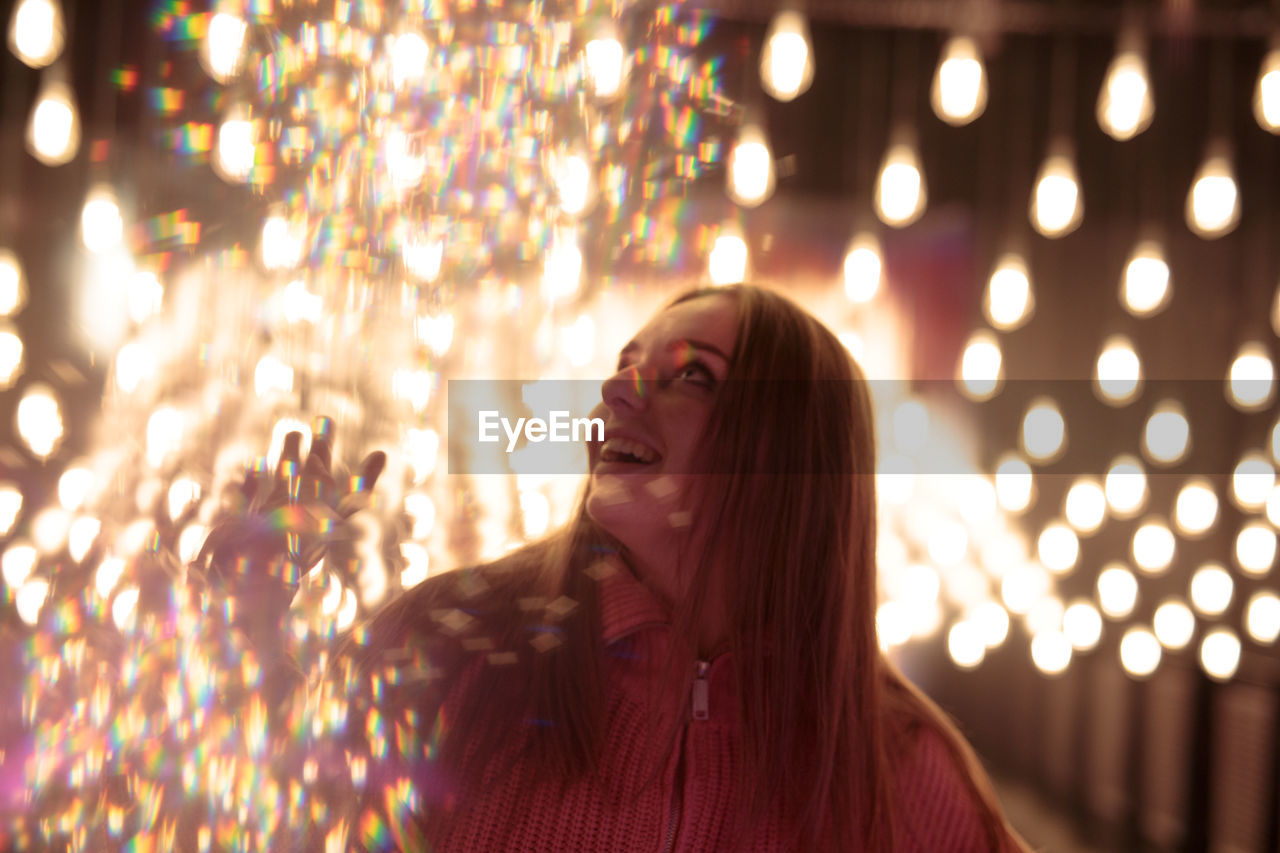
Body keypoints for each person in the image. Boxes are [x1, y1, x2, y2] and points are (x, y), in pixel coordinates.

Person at [314, 283, 1032, 852]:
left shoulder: (898, 766)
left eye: (691, 375)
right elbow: (268, 810)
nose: (618, 393)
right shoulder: (446, 643)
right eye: (626, 366)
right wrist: (245, 630)